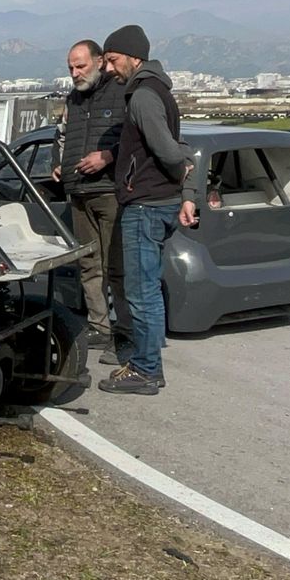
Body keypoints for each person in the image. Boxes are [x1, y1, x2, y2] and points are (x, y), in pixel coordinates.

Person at [98, 25, 199, 396]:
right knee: (148, 291)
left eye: (113, 60)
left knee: (141, 293)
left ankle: (145, 369)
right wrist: (187, 192)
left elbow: (171, 151)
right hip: (159, 202)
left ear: (133, 57)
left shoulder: (142, 96)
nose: (109, 69)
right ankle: (146, 363)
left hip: (145, 206)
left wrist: (183, 172)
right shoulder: (160, 91)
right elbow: (180, 147)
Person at [51, 39, 129, 366]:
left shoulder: (121, 92)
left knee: (116, 267)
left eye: (80, 66)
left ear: (99, 61)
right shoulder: (73, 98)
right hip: (78, 191)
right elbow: (61, 135)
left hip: (109, 191)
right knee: (89, 264)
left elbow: (134, 139)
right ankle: (100, 326)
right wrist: (58, 163)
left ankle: (125, 336)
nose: (75, 73)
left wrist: (108, 156)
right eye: (71, 67)